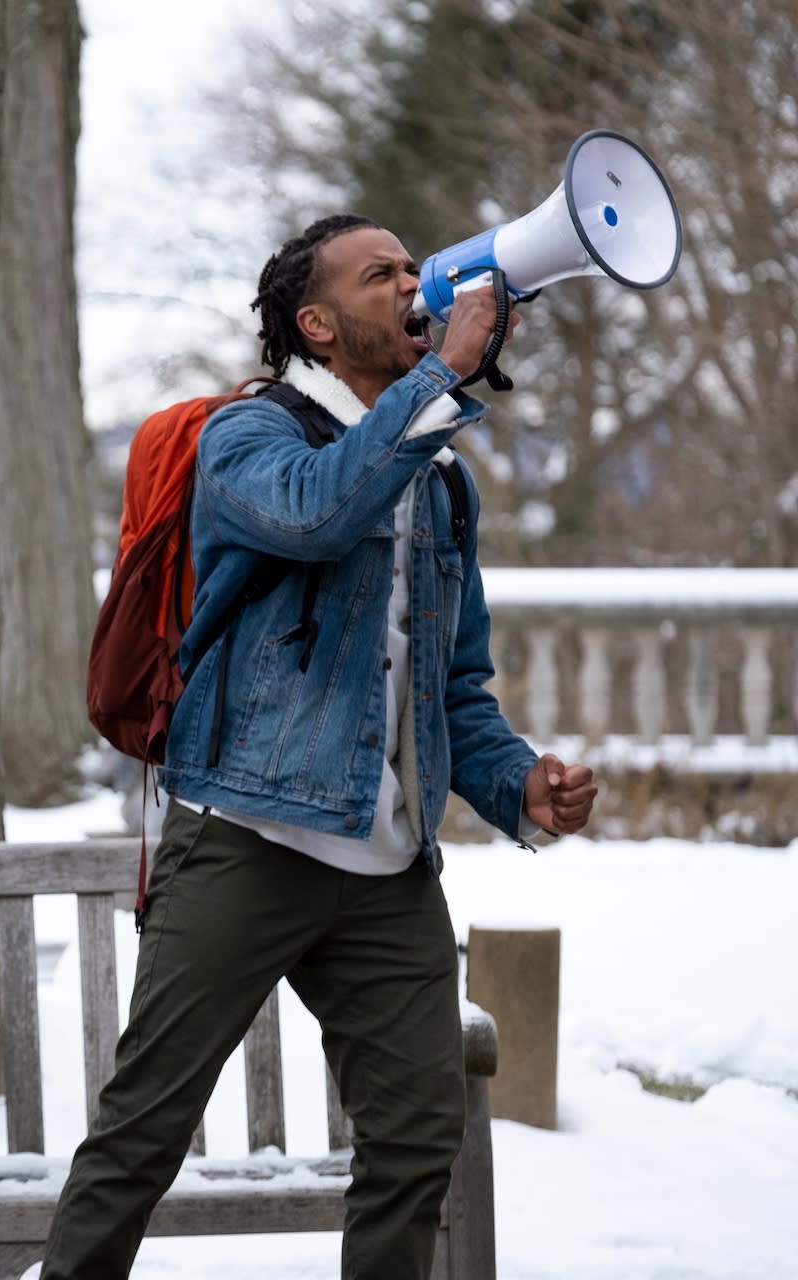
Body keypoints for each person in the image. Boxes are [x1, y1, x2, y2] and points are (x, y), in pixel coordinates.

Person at [38, 215, 599, 1280]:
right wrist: (443, 375)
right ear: (317, 321)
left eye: (410, 268)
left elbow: (452, 687)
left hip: (385, 871)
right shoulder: (247, 437)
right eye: (380, 274)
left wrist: (519, 784)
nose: (410, 283)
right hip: (242, 835)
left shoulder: (440, 481)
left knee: (417, 1139)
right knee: (142, 1135)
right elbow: (317, 514)